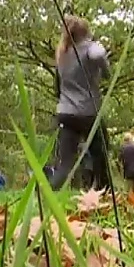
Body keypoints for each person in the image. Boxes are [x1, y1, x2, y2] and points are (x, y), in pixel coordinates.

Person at [49, 15, 112, 191]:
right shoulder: (89, 48)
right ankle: (104, 191)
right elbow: (99, 56)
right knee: (101, 154)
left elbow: (58, 86)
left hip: (65, 112)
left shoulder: (62, 53)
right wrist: (104, 68)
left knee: (65, 164)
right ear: (86, 32)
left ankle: (49, 194)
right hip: (87, 112)